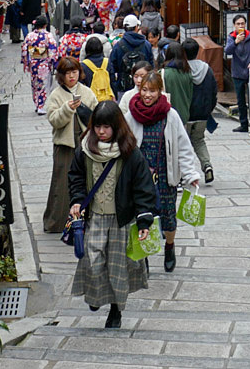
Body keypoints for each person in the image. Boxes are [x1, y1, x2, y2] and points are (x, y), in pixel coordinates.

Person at [68, 101, 158, 329]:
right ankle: (97, 297)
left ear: (116, 126)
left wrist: (144, 219)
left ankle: (115, 311)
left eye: (107, 127)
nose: (101, 131)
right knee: (92, 261)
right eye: (98, 126)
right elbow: (75, 176)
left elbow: (143, 187)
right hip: (95, 217)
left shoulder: (131, 153)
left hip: (122, 220)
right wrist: (77, 200)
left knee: (117, 268)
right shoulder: (85, 149)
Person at [124, 71, 202, 273]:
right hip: (140, 179)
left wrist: (190, 174)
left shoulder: (170, 115)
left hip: (165, 177)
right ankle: (146, 254)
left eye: (152, 90)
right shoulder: (131, 115)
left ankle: (169, 247)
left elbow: (183, 147)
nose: (147, 95)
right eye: (144, 90)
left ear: (160, 91)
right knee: (143, 215)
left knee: (168, 216)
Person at [44, 57, 97, 232]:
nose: (72, 76)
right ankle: (58, 222)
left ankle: (86, 219)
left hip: (85, 142)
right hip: (64, 145)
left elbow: (96, 117)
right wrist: (67, 108)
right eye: (67, 73)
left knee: (87, 180)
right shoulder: (56, 95)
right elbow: (54, 120)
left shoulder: (87, 92)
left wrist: (82, 109)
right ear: (61, 76)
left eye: (74, 72)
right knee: (61, 183)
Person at [183, 37, 218, 184]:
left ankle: (186, 173)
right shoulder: (206, 69)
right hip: (202, 114)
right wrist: (208, 110)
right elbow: (213, 92)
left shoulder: (182, 70)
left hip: (186, 114)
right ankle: (207, 165)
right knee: (199, 140)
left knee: (183, 145)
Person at [224, 15, 250, 132]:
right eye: (238, 24)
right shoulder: (231, 37)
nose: (241, 26)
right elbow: (227, 51)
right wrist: (236, 42)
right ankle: (243, 124)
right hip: (238, 72)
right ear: (234, 25)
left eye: (242, 24)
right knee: (240, 100)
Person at [21, 15, 58, 114]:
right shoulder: (48, 35)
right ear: (45, 25)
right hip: (44, 63)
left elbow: (24, 49)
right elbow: (53, 49)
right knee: (43, 84)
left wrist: (26, 62)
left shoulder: (30, 36)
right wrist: (52, 60)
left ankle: (37, 103)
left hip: (33, 63)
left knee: (35, 84)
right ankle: (41, 105)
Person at [109, 14, 152, 94]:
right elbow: (151, 66)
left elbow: (112, 67)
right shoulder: (146, 45)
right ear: (136, 27)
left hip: (123, 87)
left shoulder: (118, 46)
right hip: (144, 87)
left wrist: (115, 85)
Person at [81, 36, 116, 103]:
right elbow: (113, 82)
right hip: (107, 99)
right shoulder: (107, 62)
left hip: (91, 100)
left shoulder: (83, 65)